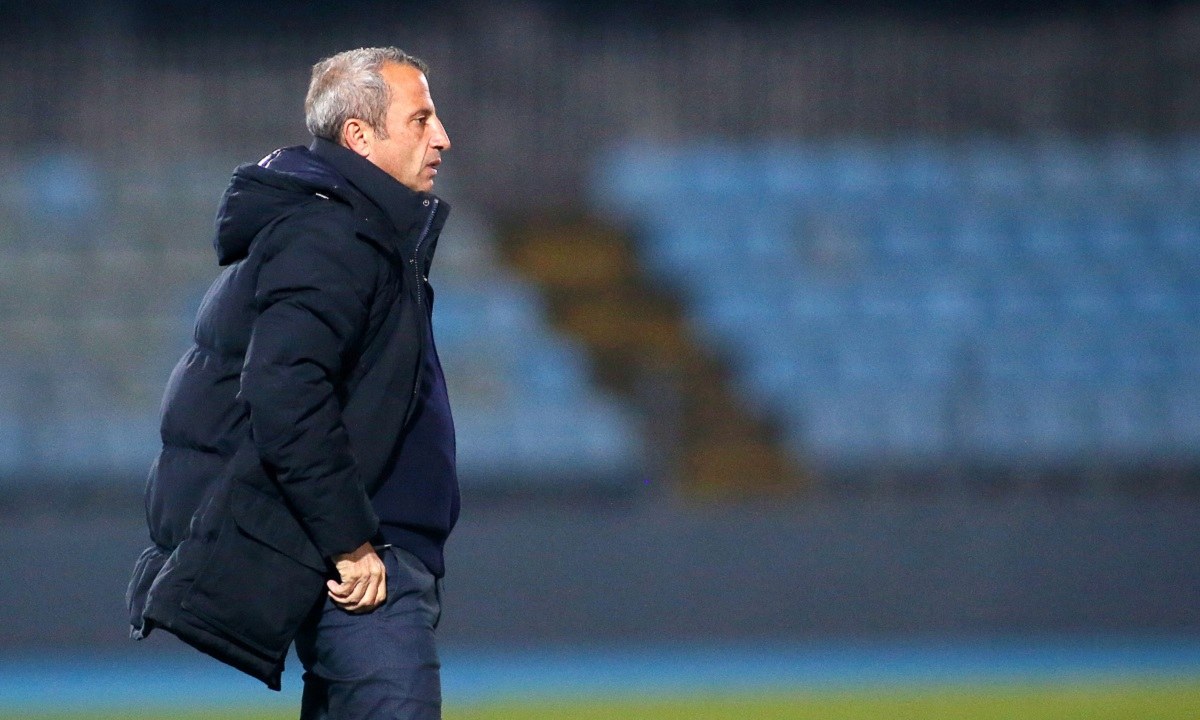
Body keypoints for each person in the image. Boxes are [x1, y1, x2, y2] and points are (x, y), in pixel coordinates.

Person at [126, 47, 457, 720]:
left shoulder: (358, 234)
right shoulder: (331, 236)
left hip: (374, 559)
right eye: (420, 119)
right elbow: (285, 393)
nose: (442, 137)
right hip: (367, 571)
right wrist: (350, 542)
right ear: (359, 135)